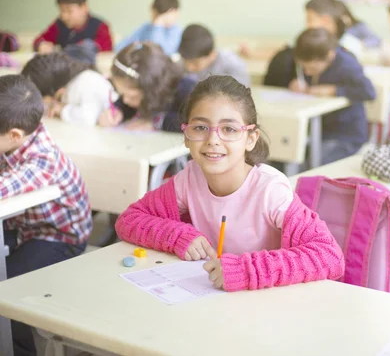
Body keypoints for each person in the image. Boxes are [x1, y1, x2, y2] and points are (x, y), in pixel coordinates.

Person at [115, 75, 345, 291]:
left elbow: (329, 256)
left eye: (229, 129)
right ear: (186, 136)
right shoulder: (189, 178)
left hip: (265, 305)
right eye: (201, 128)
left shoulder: (270, 191)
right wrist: (177, 236)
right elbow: (129, 220)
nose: (213, 140)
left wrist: (246, 270)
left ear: (251, 139)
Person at [0, 74, 91, 356]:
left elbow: (4, 188)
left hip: (58, 239)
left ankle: (19, 349)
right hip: (23, 225)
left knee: (9, 290)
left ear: (15, 135)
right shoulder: (17, 135)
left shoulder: (41, 159)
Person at [265, 28, 376, 164]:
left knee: (309, 164)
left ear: (329, 56)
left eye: (311, 68)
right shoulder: (303, 59)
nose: (307, 72)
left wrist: (333, 90)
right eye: (303, 67)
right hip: (314, 132)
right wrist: (294, 84)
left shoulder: (347, 64)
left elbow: (369, 91)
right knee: (280, 158)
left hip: (344, 135)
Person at [22, 53, 115, 126]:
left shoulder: (88, 81)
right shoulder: (68, 79)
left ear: (58, 92)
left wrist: (61, 110)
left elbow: (88, 118)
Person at [33, 0, 113, 54]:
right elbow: (39, 40)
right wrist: (41, 45)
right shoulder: (59, 25)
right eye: (62, 11)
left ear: (84, 7)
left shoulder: (100, 27)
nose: (64, 16)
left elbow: (106, 49)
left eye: (69, 11)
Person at [115, 0, 183, 56]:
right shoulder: (146, 27)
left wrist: (158, 25)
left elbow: (158, 54)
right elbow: (120, 47)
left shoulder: (176, 31)